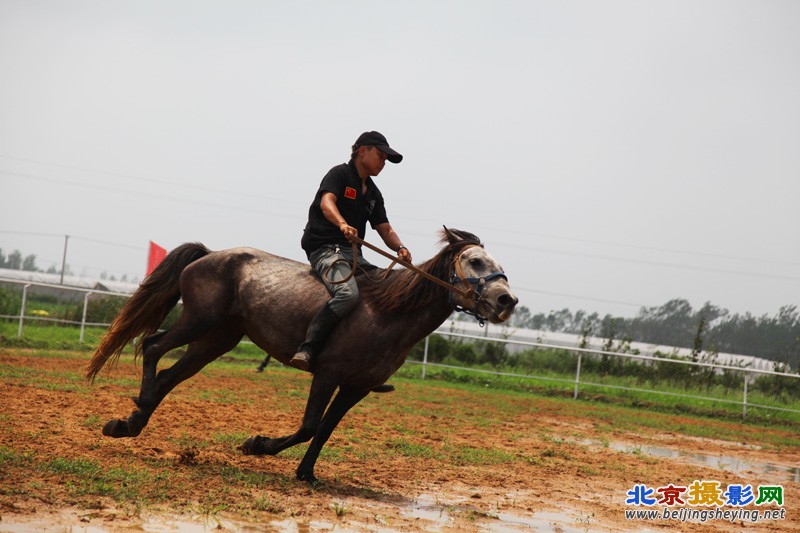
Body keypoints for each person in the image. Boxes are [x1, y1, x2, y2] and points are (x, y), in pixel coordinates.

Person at [290, 131, 412, 373]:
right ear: (362, 151)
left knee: (383, 291)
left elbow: (384, 229)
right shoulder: (339, 174)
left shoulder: (374, 194)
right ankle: (308, 348)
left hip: (352, 254)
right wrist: (342, 223)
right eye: (381, 156)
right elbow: (327, 203)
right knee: (347, 294)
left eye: (386, 160)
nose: (383, 163)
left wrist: (400, 247)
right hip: (324, 249)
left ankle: (365, 366)